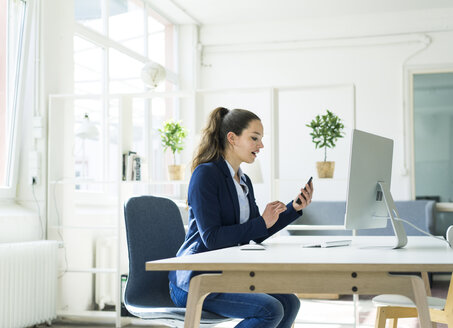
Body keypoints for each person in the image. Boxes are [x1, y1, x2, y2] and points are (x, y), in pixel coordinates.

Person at [168, 107, 314, 328]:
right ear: (232, 138)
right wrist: (261, 222)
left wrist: (293, 208)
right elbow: (212, 239)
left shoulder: (243, 181)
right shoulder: (205, 175)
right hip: (195, 280)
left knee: (290, 303)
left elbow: (255, 231)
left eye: (261, 139)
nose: (261, 145)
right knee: (270, 309)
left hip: (224, 275)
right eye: (254, 138)